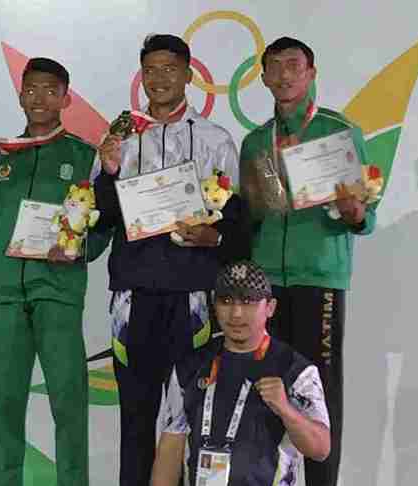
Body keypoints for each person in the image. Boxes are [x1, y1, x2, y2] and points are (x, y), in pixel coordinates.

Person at [92, 34, 249, 486]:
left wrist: (214, 237)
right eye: (150, 70)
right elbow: (100, 215)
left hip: (191, 295)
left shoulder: (215, 139)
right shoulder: (120, 138)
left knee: (190, 415)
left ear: (188, 75)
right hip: (133, 295)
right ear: (141, 77)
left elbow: (237, 223)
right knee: (136, 415)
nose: (159, 79)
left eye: (169, 69)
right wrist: (108, 171)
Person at [0, 57, 110, 486]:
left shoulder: (84, 157)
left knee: (69, 407)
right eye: (31, 89)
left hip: (57, 295)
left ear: (65, 99)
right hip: (5, 297)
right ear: (20, 95)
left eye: (50, 90)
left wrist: (76, 249)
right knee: (4, 407)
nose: (40, 98)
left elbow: (102, 228)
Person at [238, 36, 377, 486]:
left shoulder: (339, 132)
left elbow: (366, 215)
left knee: (320, 398)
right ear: (263, 77)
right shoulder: (254, 142)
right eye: (274, 66)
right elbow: (247, 220)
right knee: (262, 393)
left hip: (319, 280)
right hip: (265, 288)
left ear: (311, 73)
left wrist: (356, 213)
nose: (284, 75)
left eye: (293, 65)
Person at [151, 260, 331, 486]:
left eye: (248, 302)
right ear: (214, 305)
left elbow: (321, 449)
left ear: (270, 307)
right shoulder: (189, 367)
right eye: (226, 301)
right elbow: (170, 449)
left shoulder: (296, 371)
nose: (236, 314)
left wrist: (286, 410)